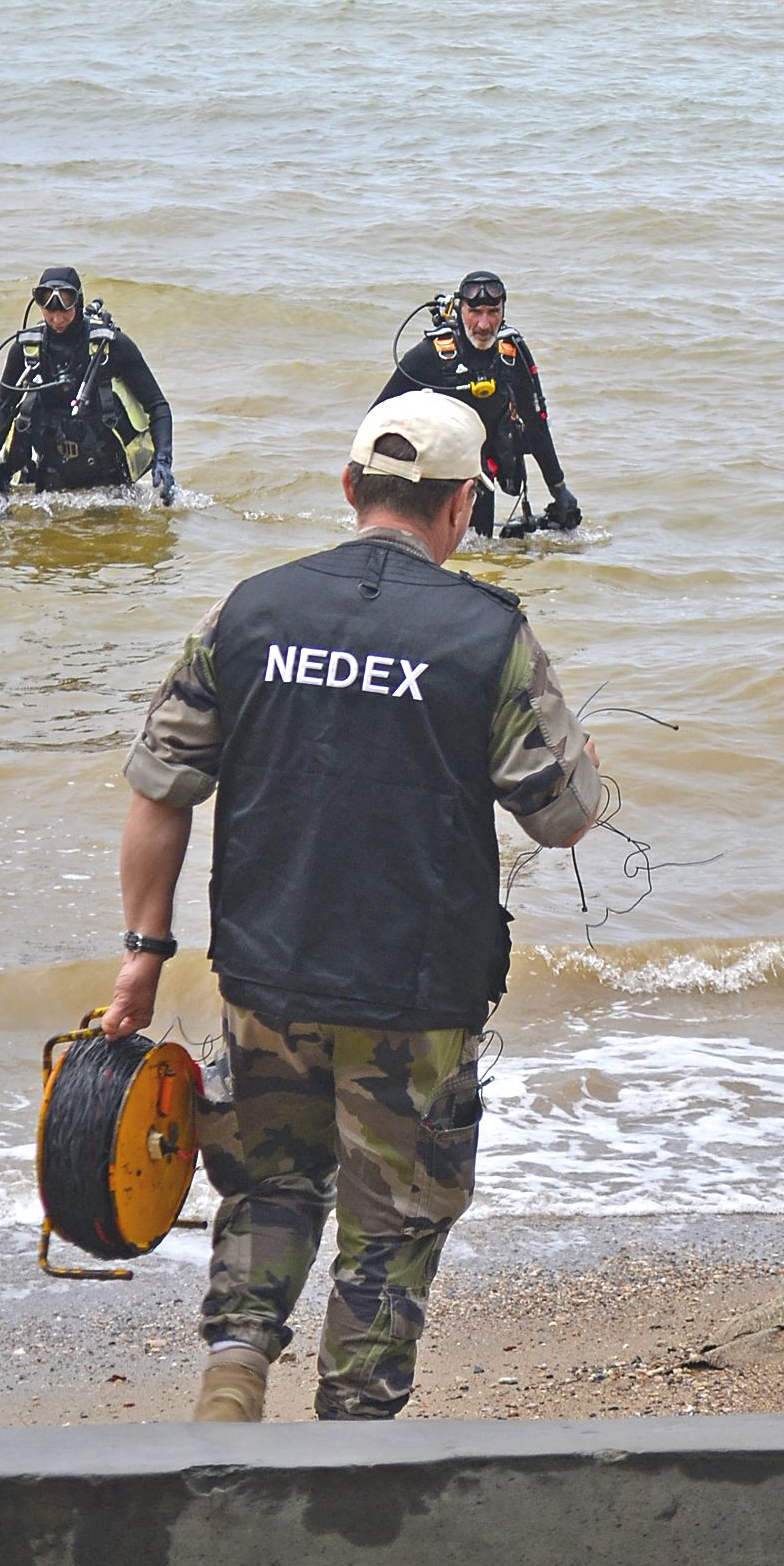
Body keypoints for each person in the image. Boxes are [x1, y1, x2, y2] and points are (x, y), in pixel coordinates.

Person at [102, 391, 604, 1424]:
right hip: (414, 993)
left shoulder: (248, 611)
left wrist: (143, 956)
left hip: (264, 970)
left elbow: (161, 786)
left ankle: (235, 1372)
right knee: (394, 1221)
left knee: (268, 1186)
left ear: (349, 490)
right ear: (463, 504)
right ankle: (352, 1435)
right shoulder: (485, 633)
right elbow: (560, 815)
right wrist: (587, 763)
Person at [378, 269, 581, 535]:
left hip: (480, 479)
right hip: (431, 480)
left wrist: (559, 489)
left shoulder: (512, 355)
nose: (484, 325)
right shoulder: (429, 356)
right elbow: (378, 419)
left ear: (503, 311)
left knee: (480, 555)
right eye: (476, 312)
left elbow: (535, 424)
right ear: (461, 310)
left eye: (492, 312)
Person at [0, 265, 175, 502]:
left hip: (110, 480)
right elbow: (2, 407)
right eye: (48, 310)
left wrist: (163, 462)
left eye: (64, 310)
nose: (56, 319)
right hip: (51, 476)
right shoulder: (27, 349)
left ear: (78, 302)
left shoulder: (112, 347)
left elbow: (157, 406)